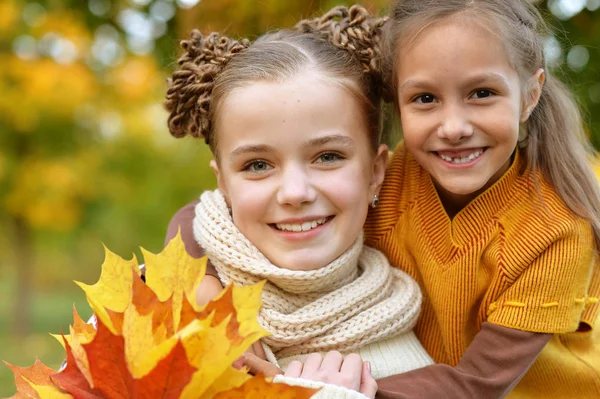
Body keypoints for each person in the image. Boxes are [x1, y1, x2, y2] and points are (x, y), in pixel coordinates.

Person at [168, 1, 600, 398]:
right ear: (399, 101)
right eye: (426, 99)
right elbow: (206, 214)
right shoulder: (394, 178)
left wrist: (331, 392)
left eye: (482, 93)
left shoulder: (558, 234)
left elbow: (477, 384)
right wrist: (200, 284)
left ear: (530, 93)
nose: (453, 127)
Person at [164, 5, 433, 398]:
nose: (295, 193)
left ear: (376, 172)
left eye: (327, 157)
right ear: (222, 182)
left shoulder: (410, 344)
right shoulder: (160, 307)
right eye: (258, 164)